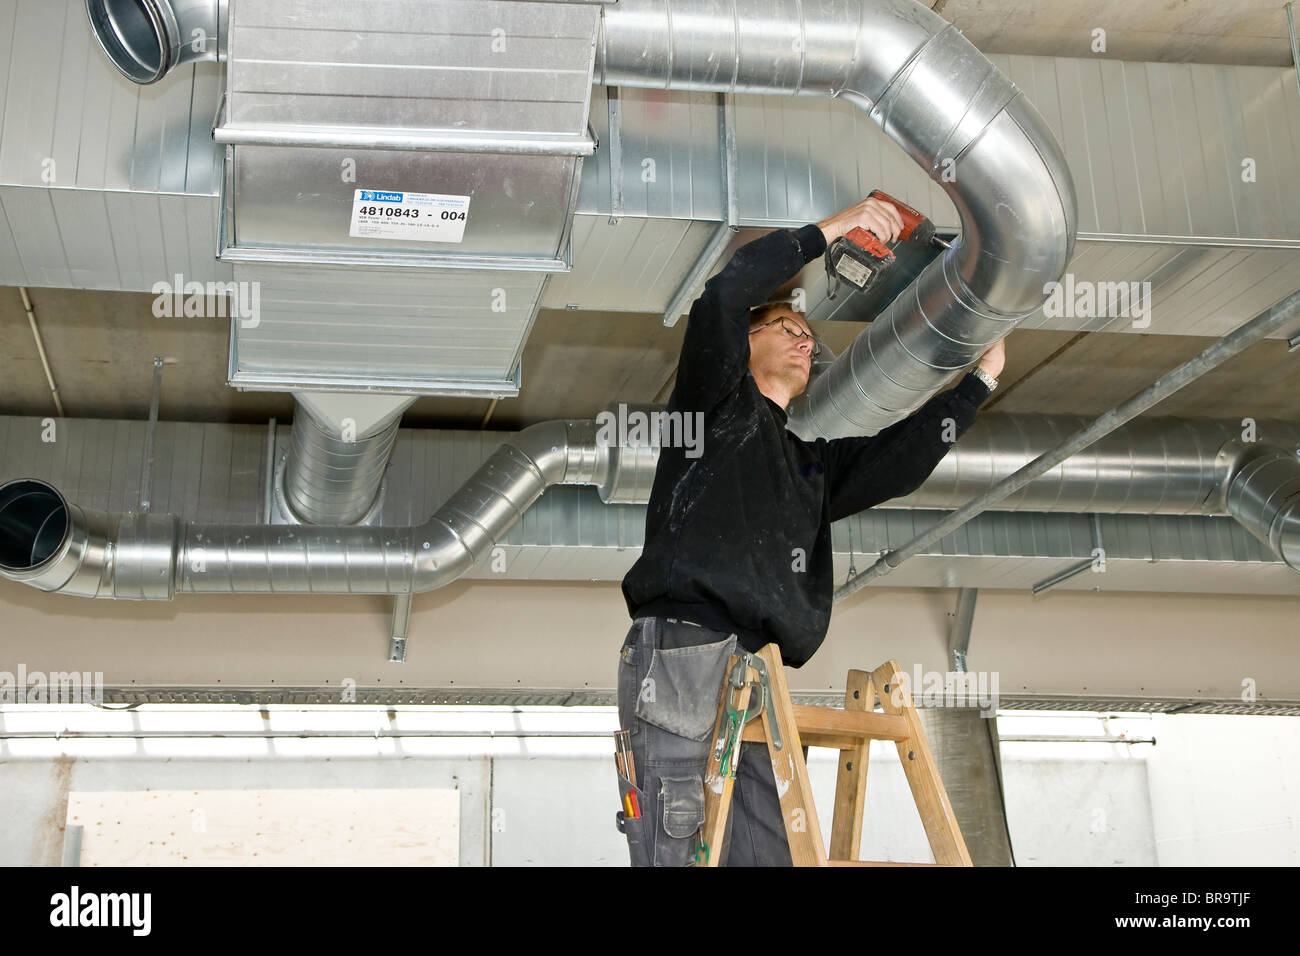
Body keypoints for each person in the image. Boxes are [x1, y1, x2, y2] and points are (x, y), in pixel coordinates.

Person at [613, 194, 1004, 867]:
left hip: (756, 671)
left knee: (769, 854)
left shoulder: (806, 466)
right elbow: (724, 296)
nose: (804, 340)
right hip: (683, 651)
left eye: (807, 336)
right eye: (785, 327)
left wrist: (981, 383)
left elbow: (897, 463)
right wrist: (834, 230)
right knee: (679, 842)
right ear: (746, 344)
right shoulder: (713, 412)